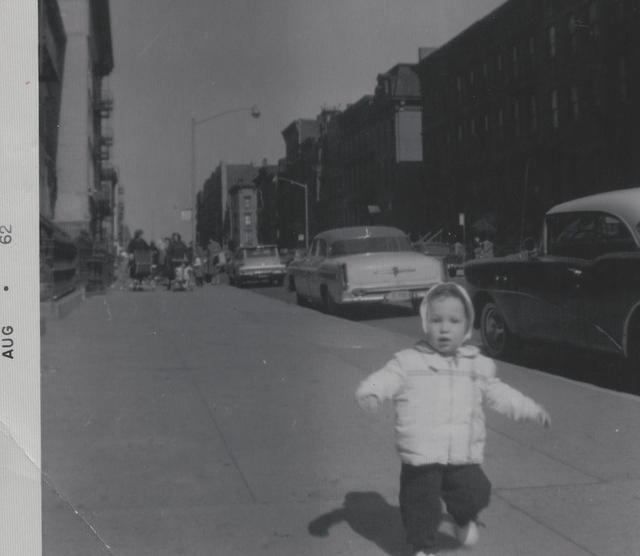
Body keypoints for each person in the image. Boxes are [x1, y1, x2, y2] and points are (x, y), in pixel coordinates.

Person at [355, 282, 550, 556]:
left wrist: (530, 409)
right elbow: (386, 378)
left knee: (476, 492)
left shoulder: (477, 366)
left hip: (462, 452)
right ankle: (423, 547)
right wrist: (371, 392)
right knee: (419, 504)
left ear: (467, 327)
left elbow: (500, 394)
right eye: (436, 320)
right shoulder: (408, 361)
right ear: (425, 323)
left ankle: (462, 516)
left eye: (453, 321)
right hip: (420, 453)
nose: (444, 328)